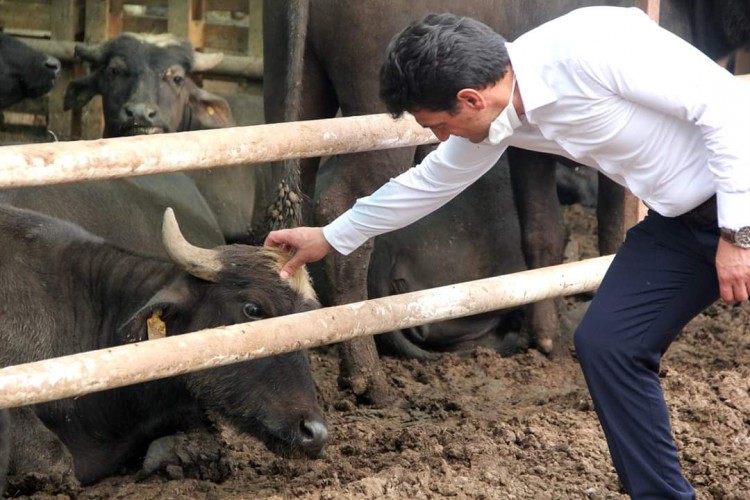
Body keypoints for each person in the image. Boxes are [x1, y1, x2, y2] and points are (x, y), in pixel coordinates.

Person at [264, 6, 750, 499]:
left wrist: (737, 234)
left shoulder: (593, 46)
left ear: (471, 98)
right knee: (609, 344)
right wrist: (331, 236)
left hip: (740, 198)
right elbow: (431, 180)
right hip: (681, 219)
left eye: (439, 125)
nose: (438, 139)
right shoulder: (500, 109)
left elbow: (727, 110)